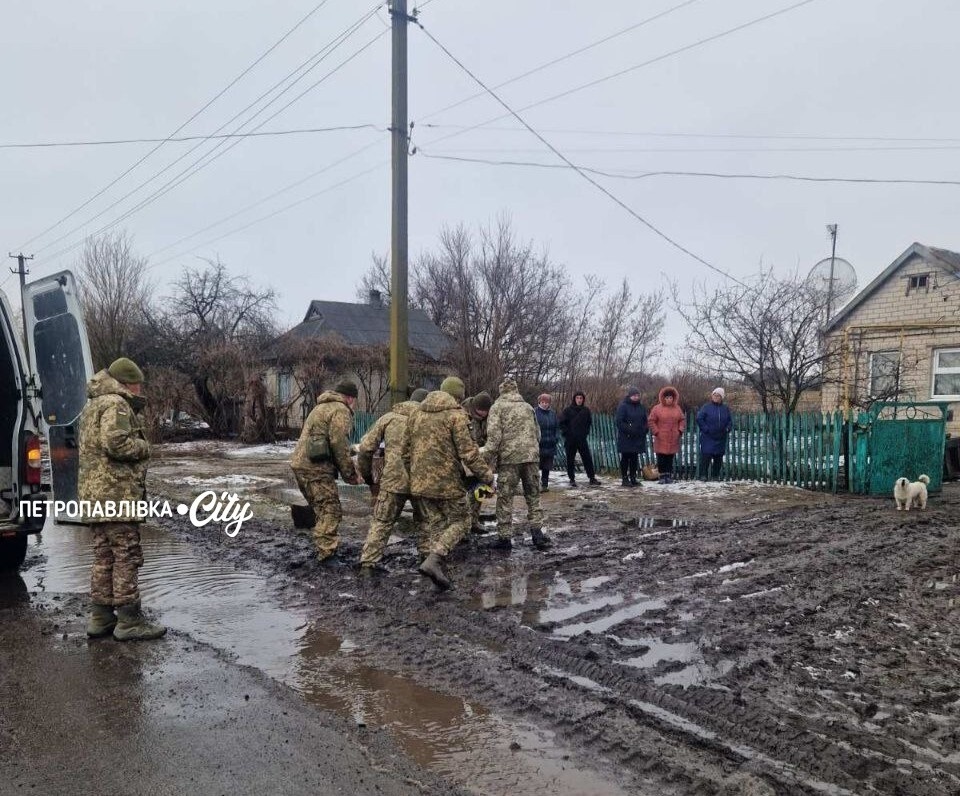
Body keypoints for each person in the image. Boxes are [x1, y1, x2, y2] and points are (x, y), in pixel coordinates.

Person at [78, 357, 166, 641]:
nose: (140, 390)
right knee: (126, 556)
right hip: (117, 496)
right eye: (138, 385)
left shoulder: (92, 405)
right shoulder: (116, 403)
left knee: (103, 557)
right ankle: (129, 622)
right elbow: (116, 443)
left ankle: (101, 617)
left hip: (95, 497)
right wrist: (144, 446)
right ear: (128, 383)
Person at [405, 376, 493, 590]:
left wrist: (414, 474)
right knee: (463, 521)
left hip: (420, 482)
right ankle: (434, 560)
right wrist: (487, 477)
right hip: (447, 483)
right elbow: (469, 453)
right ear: (458, 396)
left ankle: (436, 568)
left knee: (436, 523)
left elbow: (405, 451)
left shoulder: (416, 413)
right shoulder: (456, 415)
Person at [290, 380, 362, 562]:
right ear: (350, 398)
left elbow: (324, 440)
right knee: (331, 510)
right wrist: (351, 475)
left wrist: (352, 450)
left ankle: (322, 545)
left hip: (301, 465)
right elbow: (338, 444)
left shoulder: (320, 408)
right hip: (316, 469)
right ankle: (326, 555)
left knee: (321, 510)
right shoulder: (341, 409)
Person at [356, 390, 426, 575]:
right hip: (422, 482)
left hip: (393, 480)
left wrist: (368, 476)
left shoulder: (388, 419)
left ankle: (368, 565)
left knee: (382, 522)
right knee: (426, 523)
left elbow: (365, 448)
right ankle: (428, 562)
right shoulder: (429, 421)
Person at [483, 378, 551, 551]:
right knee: (533, 496)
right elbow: (538, 434)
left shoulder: (497, 408)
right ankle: (537, 533)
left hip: (509, 460)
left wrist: (482, 459)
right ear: (516, 390)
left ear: (502, 391)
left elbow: (494, 439)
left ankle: (504, 538)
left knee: (505, 498)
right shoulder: (528, 407)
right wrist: (531, 450)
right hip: (531, 458)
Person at [461, 391, 492, 534]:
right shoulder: (463, 415)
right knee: (464, 494)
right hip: (466, 460)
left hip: (481, 459)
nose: (483, 414)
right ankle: (463, 525)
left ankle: (474, 521)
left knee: (480, 491)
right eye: (481, 411)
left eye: (486, 412)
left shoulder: (488, 418)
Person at [558, 391, 600, 487]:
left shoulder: (586, 411)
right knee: (570, 460)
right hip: (570, 439)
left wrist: (585, 433)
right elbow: (562, 424)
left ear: (583, 399)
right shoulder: (568, 410)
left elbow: (589, 423)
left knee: (587, 458)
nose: (579, 400)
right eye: (577, 398)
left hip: (582, 439)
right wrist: (567, 434)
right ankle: (572, 479)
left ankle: (592, 478)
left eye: (581, 398)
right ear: (574, 399)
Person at [647, 386, 685, 484]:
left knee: (670, 458)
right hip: (661, 437)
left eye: (671, 398)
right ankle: (662, 476)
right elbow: (651, 420)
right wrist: (656, 431)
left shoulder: (677, 408)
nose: (669, 399)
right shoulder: (657, 408)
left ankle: (668, 476)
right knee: (661, 457)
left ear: (674, 398)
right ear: (663, 398)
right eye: (667, 397)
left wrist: (680, 430)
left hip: (673, 437)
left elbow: (682, 420)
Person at [696, 387, 733, 480]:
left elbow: (730, 421)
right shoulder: (706, 407)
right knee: (706, 456)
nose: (716, 397)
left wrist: (727, 428)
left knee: (718, 457)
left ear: (722, 397)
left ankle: (715, 476)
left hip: (721, 436)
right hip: (708, 436)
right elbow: (699, 418)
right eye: (714, 395)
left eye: (718, 396)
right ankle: (703, 475)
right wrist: (705, 429)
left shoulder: (725, 408)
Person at [615, 387, 648, 487]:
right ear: (629, 396)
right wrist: (629, 429)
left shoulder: (641, 407)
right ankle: (625, 478)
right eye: (634, 396)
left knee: (634, 457)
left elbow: (645, 420)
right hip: (626, 437)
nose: (636, 397)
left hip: (637, 436)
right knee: (625, 457)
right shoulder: (623, 406)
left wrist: (645, 429)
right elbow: (619, 421)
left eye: (637, 395)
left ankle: (633, 478)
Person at [534, 393, 559, 490]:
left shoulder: (552, 414)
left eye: (547, 402)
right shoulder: (534, 412)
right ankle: (534, 485)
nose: (545, 404)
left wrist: (556, 438)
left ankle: (545, 485)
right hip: (538, 444)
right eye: (543, 402)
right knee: (535, 466)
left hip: (550, 444)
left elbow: (557, 427)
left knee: (547, 466)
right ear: (539, 402)